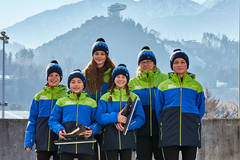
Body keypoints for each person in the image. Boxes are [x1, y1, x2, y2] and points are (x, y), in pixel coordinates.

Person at [155, 49, 205, 160]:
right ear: (172, 65)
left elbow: (200, 109)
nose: (179, 65)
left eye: (183, 62)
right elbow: (158, 110)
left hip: (190, 131)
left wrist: (192, 120)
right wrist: (166, 122)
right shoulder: (163, 86)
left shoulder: (197, 86)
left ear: (187, 65)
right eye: (176, 62)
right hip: (169, 132)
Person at [48, 69, 101, 160]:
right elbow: (53, 120)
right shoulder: (61, 102)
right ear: (69, 85)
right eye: (73, 82)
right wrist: (59, 130)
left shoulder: (91, 102)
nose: (76, 84)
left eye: (79, 82)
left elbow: (98, 121)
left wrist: (92, 130)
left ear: (83, 84)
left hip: (86, 146)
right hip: (66, 146)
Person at [96, 64, 145, 160]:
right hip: (110, 140)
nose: (120, 79)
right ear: (114, 79)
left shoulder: (134, 97)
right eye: (118, 77)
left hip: (128, 139)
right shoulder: (105, 97)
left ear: (127, 79)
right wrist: (115, 117)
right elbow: (99, 117)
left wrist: (128, 125)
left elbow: (141, 118)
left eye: (123, 77)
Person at [128, 46, 167, 160]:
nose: (146, 64)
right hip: (141, 131)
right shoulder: (132, 83)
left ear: (154, 63)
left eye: (149, 61)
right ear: (139, 64)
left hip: (160, 129)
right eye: (143, 62)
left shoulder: (164, 79)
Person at [24, 60, 67, 160]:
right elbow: (32, 120)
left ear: (61, 77)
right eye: (51, 75)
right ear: (47, 77)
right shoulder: (39, 97)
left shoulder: (66, 95)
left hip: (60, 141)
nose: (53, 78)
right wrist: (29, 141)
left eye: (57, 75)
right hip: (42, 142)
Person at [83, 38, 115, 160]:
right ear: (92, 55)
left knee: (107, 154)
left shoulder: (113, 72)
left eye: (102, 54)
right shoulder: (86, 73)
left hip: (106, 119)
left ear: (107, 55)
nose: (99, 56)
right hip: (90, 119)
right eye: (97, 54)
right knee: (91, 155)